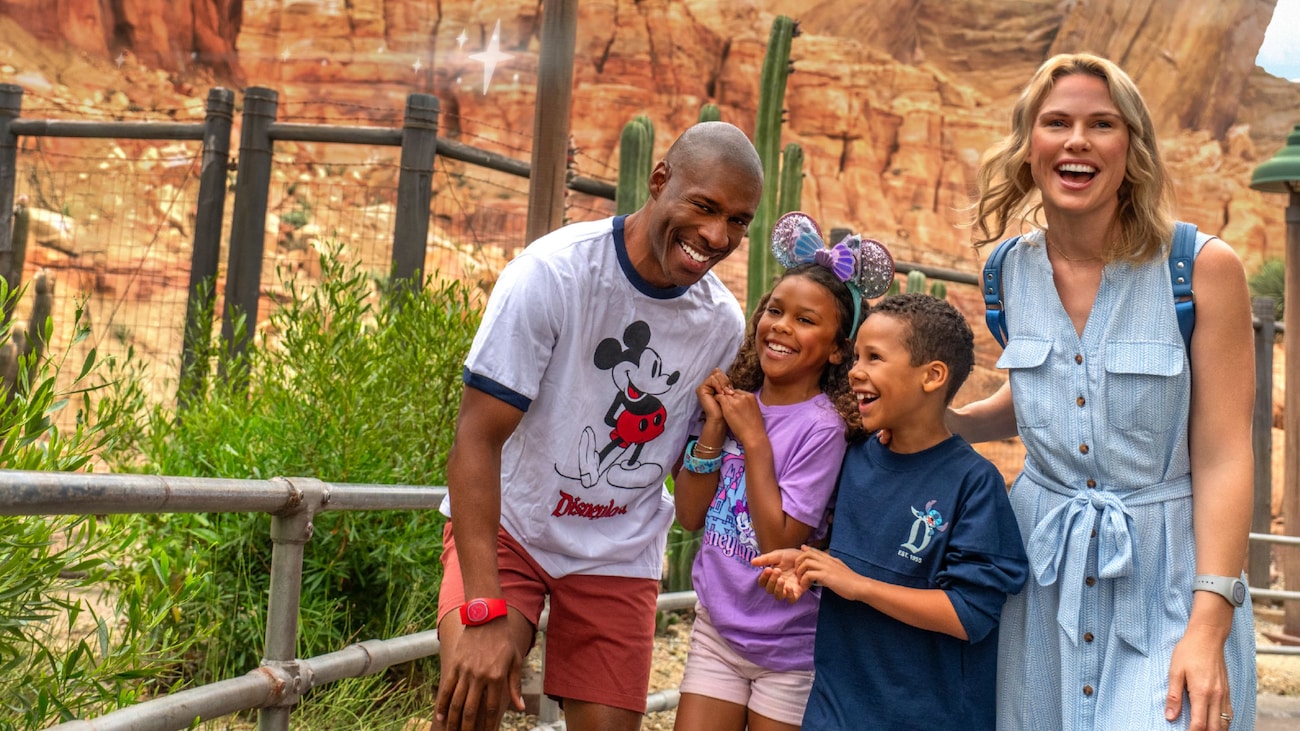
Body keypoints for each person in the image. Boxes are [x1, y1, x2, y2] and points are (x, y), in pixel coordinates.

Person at [956, 53, 1257, 730]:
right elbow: (1050, 394)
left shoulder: (1201, 269)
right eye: (1056, 121)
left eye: (1102, 124)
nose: (1077, 140)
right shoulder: (1006, 272)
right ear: (1028, 145)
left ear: (1133, 148)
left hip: (1171, 578)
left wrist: (1209, 619)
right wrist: (941, 423)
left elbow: (1224, 453)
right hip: (1040, 578)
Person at [432, 121, 763, 731]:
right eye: (704, 206)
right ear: (659, 179)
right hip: (515, 529)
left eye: (739, 221)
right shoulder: (553, 273)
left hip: (619, 552)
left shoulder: (720, 323)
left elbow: (691, 509)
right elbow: (475, 441)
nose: (717, 235)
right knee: (468, 704)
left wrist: (715, 436)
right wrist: (482, 610)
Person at [754, 293, 1030, 730]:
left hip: (928, 717)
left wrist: (857, 585)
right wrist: (809, 563)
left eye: (875, 357)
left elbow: (969, 614)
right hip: (834, 710)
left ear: (932, 376)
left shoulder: (975, 483)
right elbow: (846, 561)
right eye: (857, 356)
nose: (855, 371)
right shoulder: (854, 457)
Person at [671, 234, 866, 731]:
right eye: (774, 311)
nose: (781, 327)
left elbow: (779, 541)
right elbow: (689, 515)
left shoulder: (823, 428)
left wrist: (754, 439)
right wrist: (715, 429)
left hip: (788, 646)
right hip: (717, 627)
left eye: (805, 320)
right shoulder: (735, 404)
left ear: (838, 351)